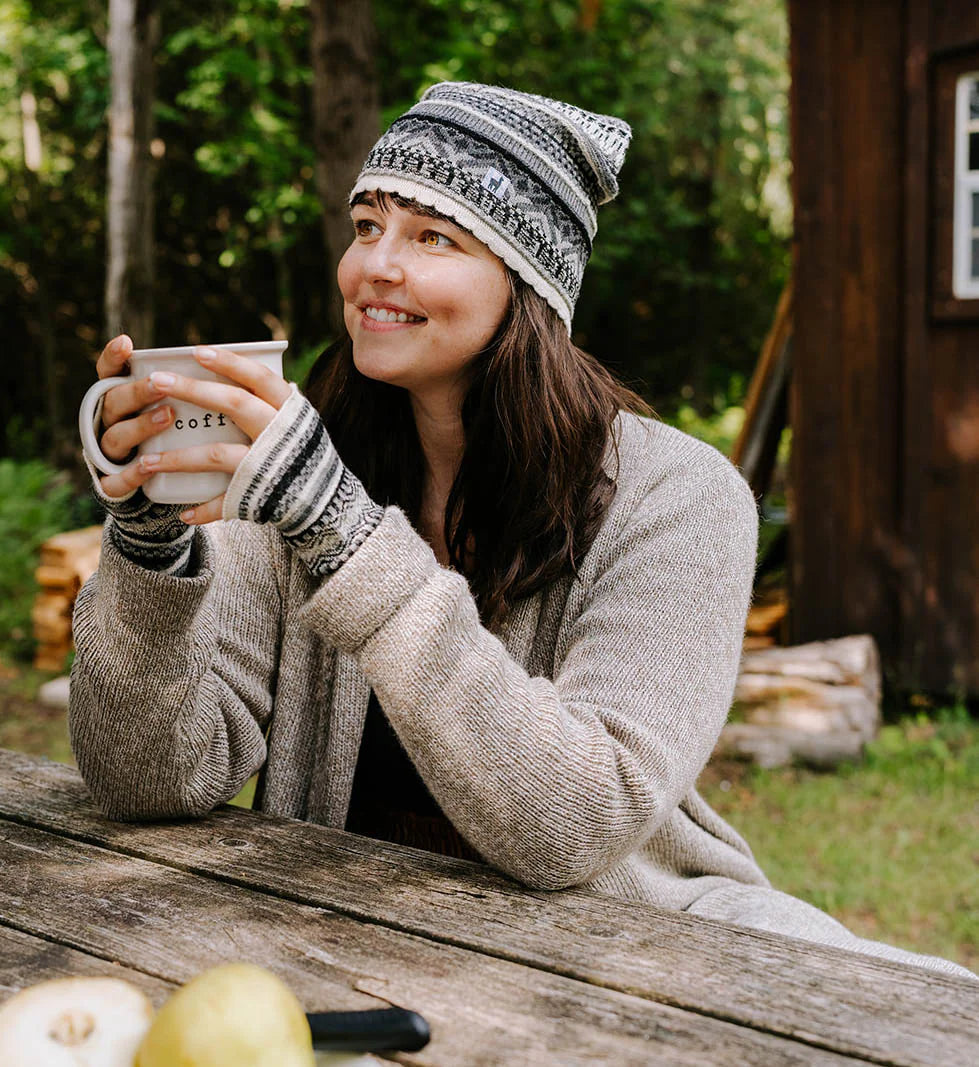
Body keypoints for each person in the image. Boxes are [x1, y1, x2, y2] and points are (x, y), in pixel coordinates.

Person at [71, 82, 975, 980]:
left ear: (528, 281)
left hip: (634, 957)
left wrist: (338, 526)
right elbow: (144, 778)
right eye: (367, 225)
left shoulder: (681, 498)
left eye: (434, 236)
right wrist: (148, 543)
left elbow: (574, 823)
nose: (376, 265)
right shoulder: (308, 472)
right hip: (349, 949)